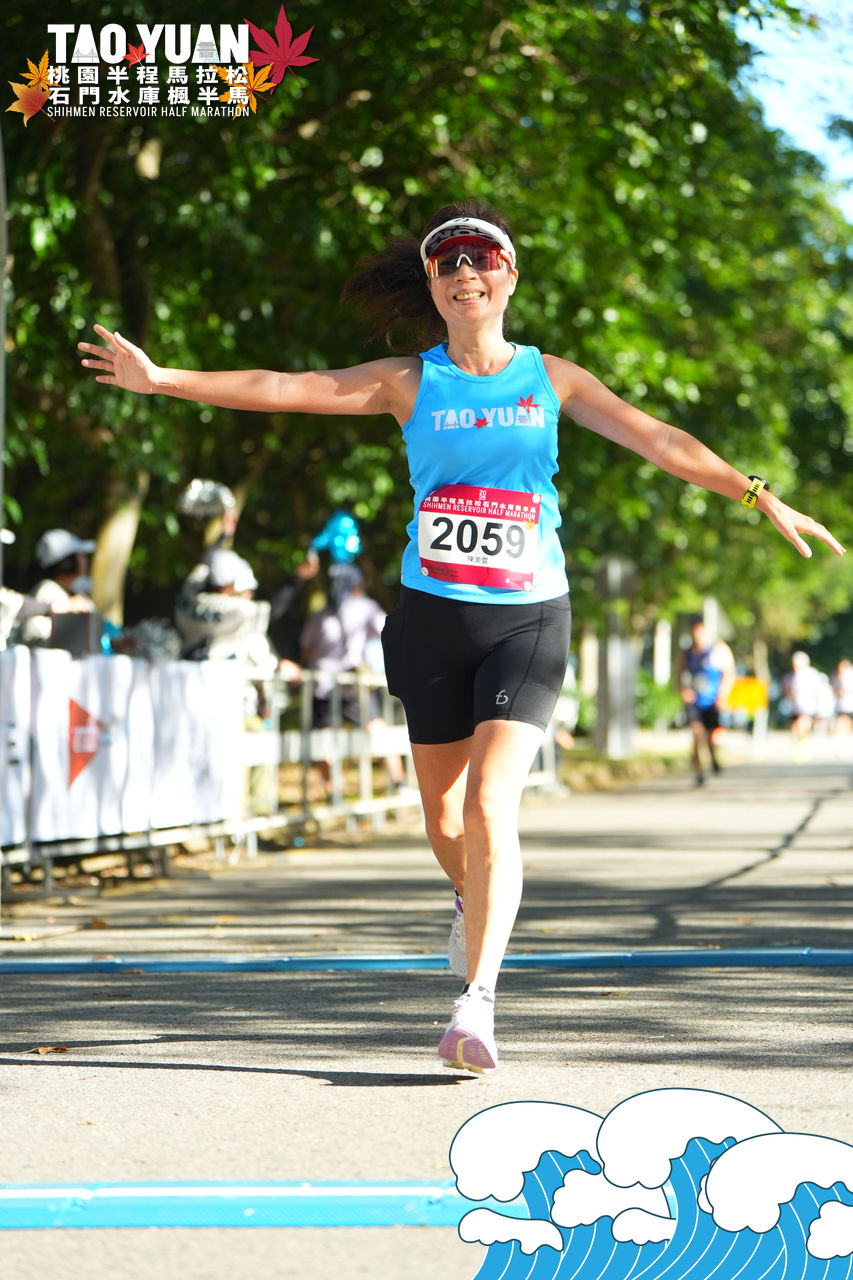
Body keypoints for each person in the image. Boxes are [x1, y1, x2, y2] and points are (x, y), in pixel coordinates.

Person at [78, 198, 845, 1074]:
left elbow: (660, 439)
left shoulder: (552, 379)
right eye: (447, 263)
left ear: (508, 276)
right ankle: (469, 897)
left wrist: (757, 494)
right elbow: (286, 387)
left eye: (480, 257)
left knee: (488, 806)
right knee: (444, 820)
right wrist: (163, 379)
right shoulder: (408, 381)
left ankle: (476, 1002)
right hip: (431, 619)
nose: (464, 272)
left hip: (528, 616)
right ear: (433, 286)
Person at [300, 563, 406, 797]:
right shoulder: (366, 607)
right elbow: (388, 631)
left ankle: (333, 793)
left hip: (326, 686)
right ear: (356, 584)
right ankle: (399, 784)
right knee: (377, 731)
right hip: (351, 686)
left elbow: (306, 650)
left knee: (325, 740)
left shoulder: (320, 615)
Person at [14, 529, 99, 649]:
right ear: (69, 561)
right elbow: (36, 635)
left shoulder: (75, 592)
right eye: (80, 555)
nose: (85, 560)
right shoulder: (47, 591)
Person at [679, 616, 736, 786]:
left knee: (711, 737)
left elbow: (729, 673)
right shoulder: (686, 653)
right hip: (694, 702)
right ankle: (699, 773)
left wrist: (722, 694)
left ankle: (713, 758)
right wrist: (684, 690)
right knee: (697, 735)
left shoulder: (718, 649)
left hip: (712, 702)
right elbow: (678, 674)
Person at [782, 650, 824, 760]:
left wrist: (820, 706)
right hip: (795, 707)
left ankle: (804, 745)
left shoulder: (812, 674)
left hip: (808, 706)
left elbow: (818, 690)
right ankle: (799, 744)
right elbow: (787, 691)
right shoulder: (791, 676)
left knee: (802, 724)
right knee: (795, 727)